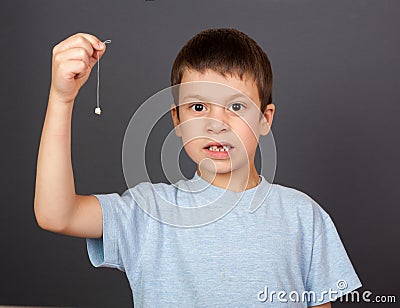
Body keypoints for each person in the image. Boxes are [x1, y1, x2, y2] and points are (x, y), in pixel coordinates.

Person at [34, 28, 362, 307]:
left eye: (236, 106)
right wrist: (62, 99)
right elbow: (55, 214)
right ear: (177, 120)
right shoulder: (148, 212)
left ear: (265, 119)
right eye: (199, 106)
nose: (215, 124)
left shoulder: (303, 216)